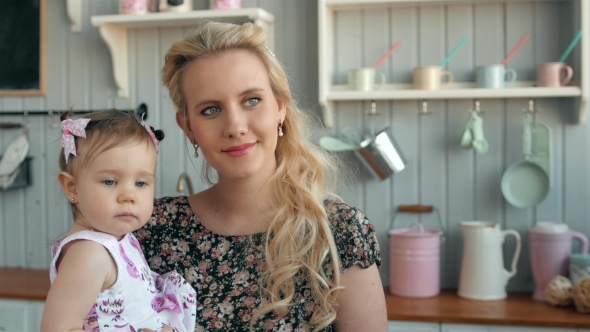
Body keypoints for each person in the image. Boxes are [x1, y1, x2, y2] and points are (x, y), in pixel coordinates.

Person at [136, 20, 388, 332]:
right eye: (210, 110)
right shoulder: (149, 230)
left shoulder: (341, 234)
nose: (235, 126)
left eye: (252, 100)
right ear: (188, 127)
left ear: (280, 107)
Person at [40, 110, 197, 332]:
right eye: (110, 181)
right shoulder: (89, 254)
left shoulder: (118, 238)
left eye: (141, 183)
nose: (129, 195)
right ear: (72, 188)